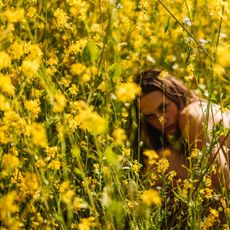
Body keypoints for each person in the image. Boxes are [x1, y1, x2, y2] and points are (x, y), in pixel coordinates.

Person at [134, 69, 230, 191]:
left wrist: (174, 178)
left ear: (175, 94)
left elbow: (223, 188)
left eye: (163, 108)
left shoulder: (192, 116)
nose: (161, 120)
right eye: (151, 117)